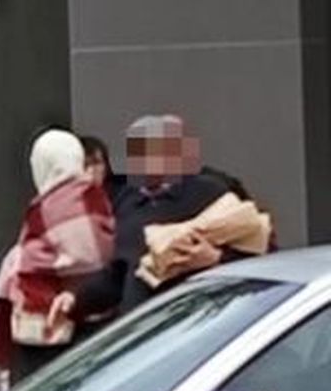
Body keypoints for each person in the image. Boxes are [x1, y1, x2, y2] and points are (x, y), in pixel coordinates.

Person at [70, 115, 246, 324]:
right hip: (141, 333)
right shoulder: (128, 201)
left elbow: (263, 251)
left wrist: (217, 258)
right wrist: (75, 300)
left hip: (195, 325)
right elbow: (117, 274)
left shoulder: (210, 192)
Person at [0, 130, 117, 383]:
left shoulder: (65, 202)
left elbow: (87, 256)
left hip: (60, 333)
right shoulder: (85, 199)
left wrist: (22, 263)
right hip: (69, 330)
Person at [80, 135, 131, 207]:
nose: (90, 170)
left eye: (96, 163)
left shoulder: (125, 196)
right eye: (85, 164)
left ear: (106, 166)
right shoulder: (64, 198)